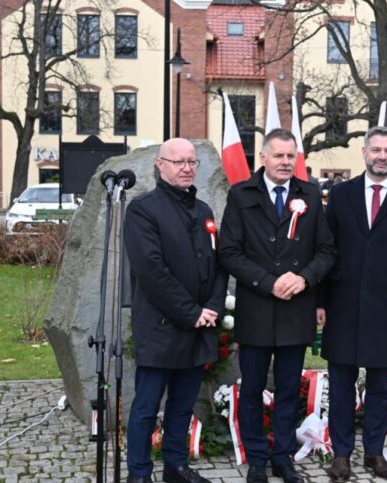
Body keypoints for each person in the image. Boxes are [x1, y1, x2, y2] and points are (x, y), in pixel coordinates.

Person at [218, 128, 336, 483]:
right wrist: (269, 283)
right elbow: (229, 253)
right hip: (256, 308)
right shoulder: (241, 196)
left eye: (291, 156)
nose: (286, 162)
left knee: (287, 389)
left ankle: (282, 456)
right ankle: (257, 458)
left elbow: (327, 250)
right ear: (264, 158)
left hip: (295, 310)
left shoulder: (311, 195)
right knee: (252, 388)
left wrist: (303, 278)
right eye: (279, 156)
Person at [318, 126, 387, 482]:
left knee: (380, 386)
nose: (382, 156)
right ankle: (341, 455)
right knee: (340, 383)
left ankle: (374, 452)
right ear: (364, 152)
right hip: (342, 303)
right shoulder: (340, 195)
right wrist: (319, 301)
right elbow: (326, 251)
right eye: (376, 149)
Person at [123, 138, 228, 483]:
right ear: (160, 164)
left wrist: (212, 307)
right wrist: (190, 312)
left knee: (183, 405)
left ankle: (175, 466)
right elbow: (151, 270)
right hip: (162, 325)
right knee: (146, 407)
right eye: (178, 161)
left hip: (199, 325)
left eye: (192, 162)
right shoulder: (143, 210)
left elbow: (216, 266)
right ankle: (139, 473)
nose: (186, 168)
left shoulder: (203, 212)